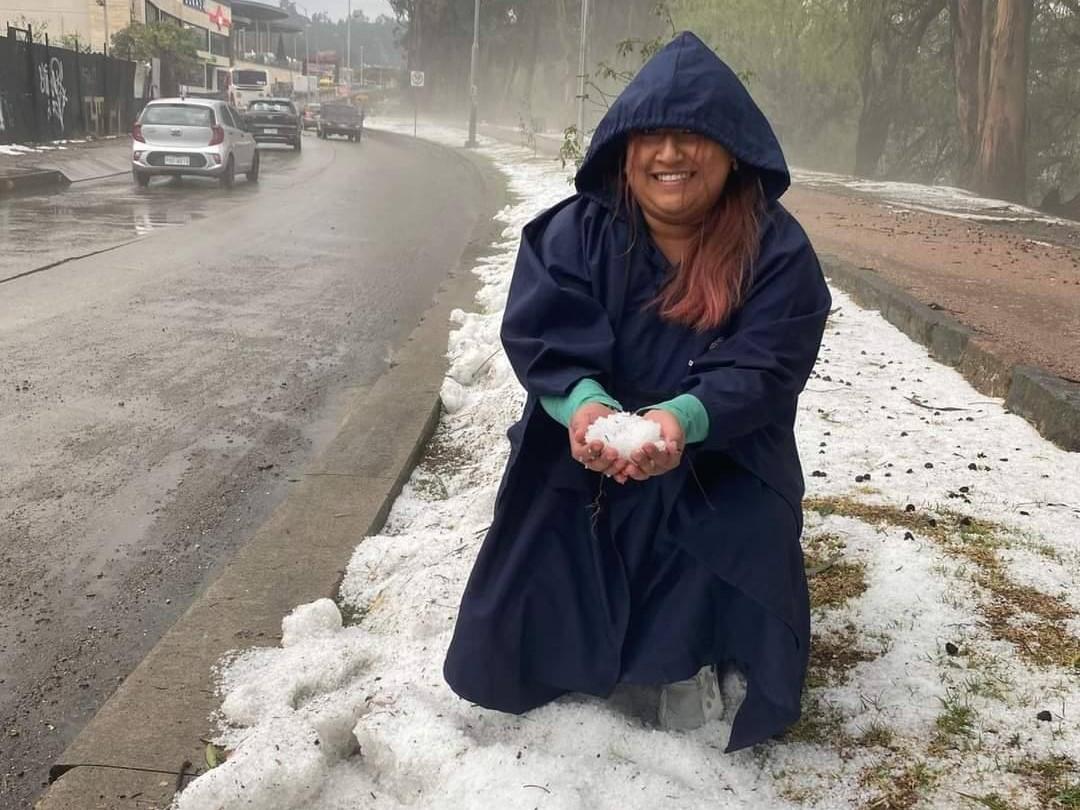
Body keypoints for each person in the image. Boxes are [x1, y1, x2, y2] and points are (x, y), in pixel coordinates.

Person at [444, 31, 831, 751]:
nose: (670, 154)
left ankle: (690, 662)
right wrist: (586, 409)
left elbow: (768, 362)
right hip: (581, 445)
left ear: (732, 147)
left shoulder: (776, 249)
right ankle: (557, 663)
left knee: (732, 523)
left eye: (693, 134)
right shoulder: (575, 232)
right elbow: (543, 335)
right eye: (651, 135)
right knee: (546, 526)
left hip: (725, 447)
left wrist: (679, 422)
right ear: (624, 147)